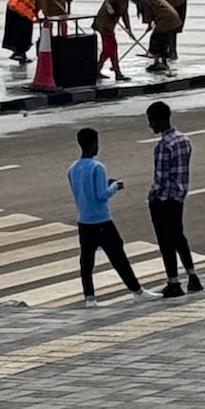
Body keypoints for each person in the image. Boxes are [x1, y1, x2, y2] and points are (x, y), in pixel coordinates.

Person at [68, 126, 147, 305]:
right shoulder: (97, 166)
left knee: (87, 260)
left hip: (83, 220)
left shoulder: (72, 168)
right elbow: (101, 195)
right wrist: (115, 186)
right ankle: (137, 290)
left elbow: (82, 191)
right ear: (92, 144)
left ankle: (89, 297)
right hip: (101, 219)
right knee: (117, 254)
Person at [146, 100, 203, 297]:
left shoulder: (163, 146)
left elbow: (160, 178)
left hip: (164, 200)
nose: (151, 125)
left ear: (161, 121)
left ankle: (173, 282)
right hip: (179, 197)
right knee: (179, 236)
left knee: (165, 241)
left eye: (152, 121)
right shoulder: (184, 140)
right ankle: (192, 276)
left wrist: (152, 197)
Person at [132, 0, 182, 74]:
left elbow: (149, 16)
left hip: (168, 15)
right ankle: (164, 60)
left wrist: (150, 25)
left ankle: (158, 62)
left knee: (156, 39)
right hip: (172, 13)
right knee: (163, 38)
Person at [94, 0, 138, 82]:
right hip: (105, 24)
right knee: (111, 48)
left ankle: (98, 69)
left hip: (108, 24)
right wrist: (113, 12)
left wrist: (129, 29)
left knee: (109, 49)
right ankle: (116, 72)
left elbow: (124, 14)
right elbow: (108, 4)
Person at [3, 0, 49, 66]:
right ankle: (20, 54)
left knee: (12, 30)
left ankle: (16, 52)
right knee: (24, 33)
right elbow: (40, 5)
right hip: (24, 11)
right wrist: (40, 16)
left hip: (12, 5)